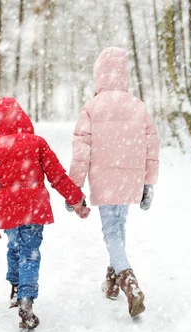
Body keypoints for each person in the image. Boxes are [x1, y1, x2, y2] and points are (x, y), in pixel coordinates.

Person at [0, 97, 90, 330]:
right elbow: (57, 176)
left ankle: (16, 286)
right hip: (34, 209)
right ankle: (26, 300)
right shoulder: (37, 143)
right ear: (22, 117)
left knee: (14, 247)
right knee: (30, 252)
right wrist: (77, 200)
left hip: (8, 213)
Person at [67, 47, 160, 318]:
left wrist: (74, 187)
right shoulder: (138, 106)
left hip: (104, 179)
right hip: (130, 177)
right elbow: (152, 146)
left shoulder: (91, 107)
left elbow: (81, 152)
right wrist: (148, 183)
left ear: (99, 76)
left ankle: (128, 281)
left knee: (111, 231)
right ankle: (111, 282)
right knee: (119, 226)